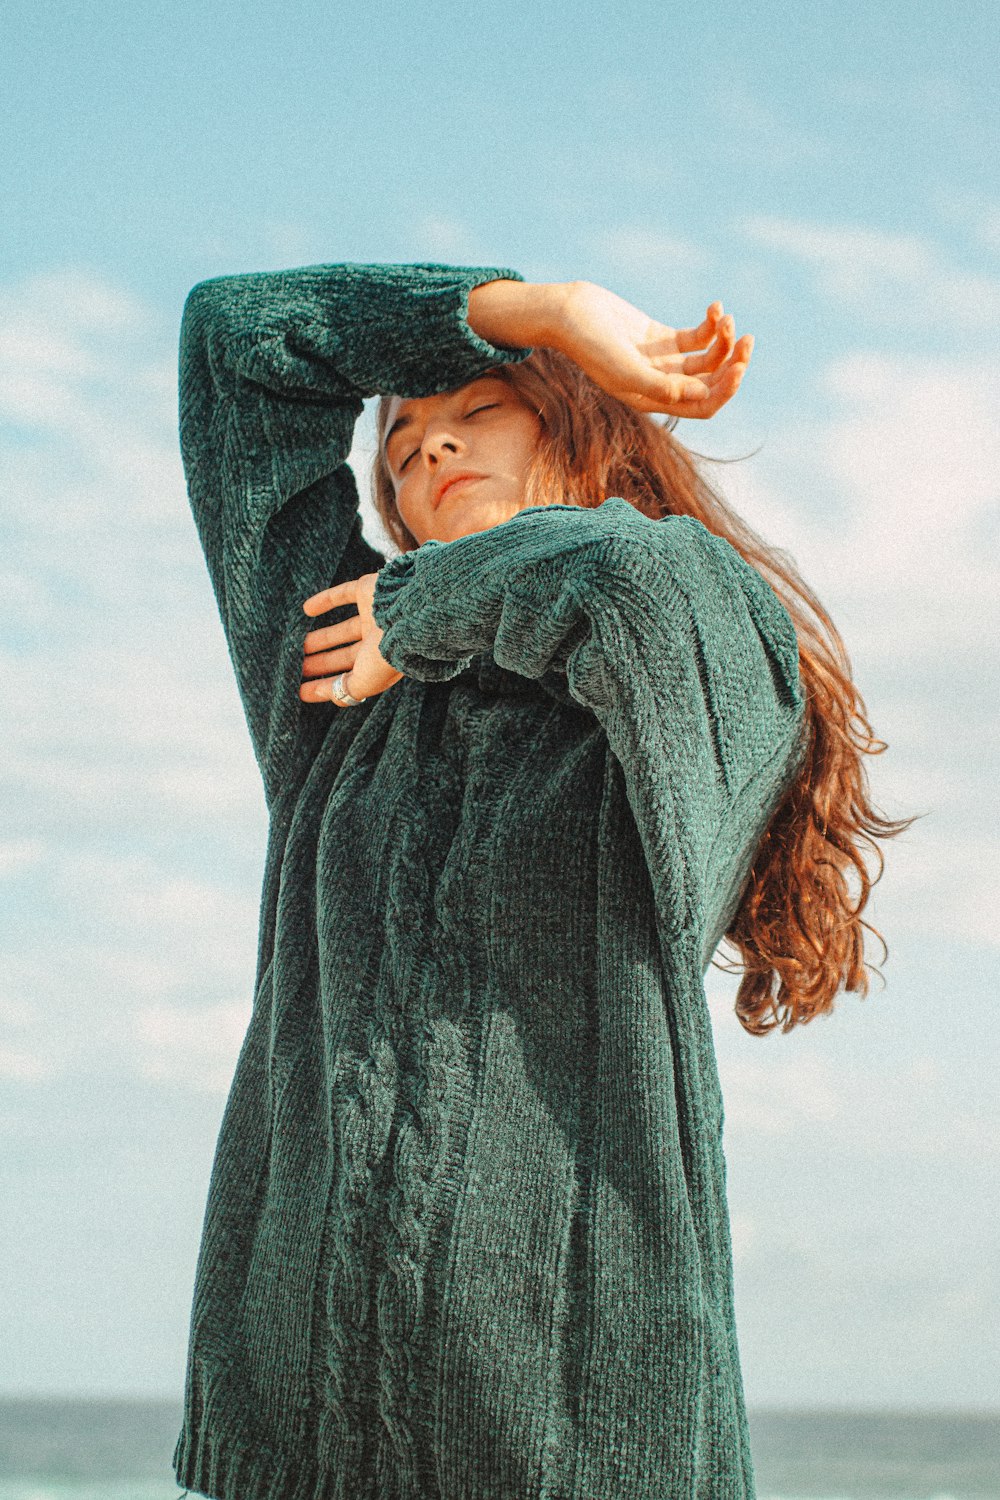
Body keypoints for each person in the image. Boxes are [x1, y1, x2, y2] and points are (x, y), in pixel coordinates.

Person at [171, 261, 912, 1500]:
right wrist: (535, 311)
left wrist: (424, 603)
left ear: (589, 437)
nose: (426, 450)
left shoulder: (692, 654)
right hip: (292, 1441)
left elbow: (637, 585)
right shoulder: (338, 684)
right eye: (398, 444)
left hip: (571, 1447)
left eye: (481, 409)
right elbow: (234, 342)